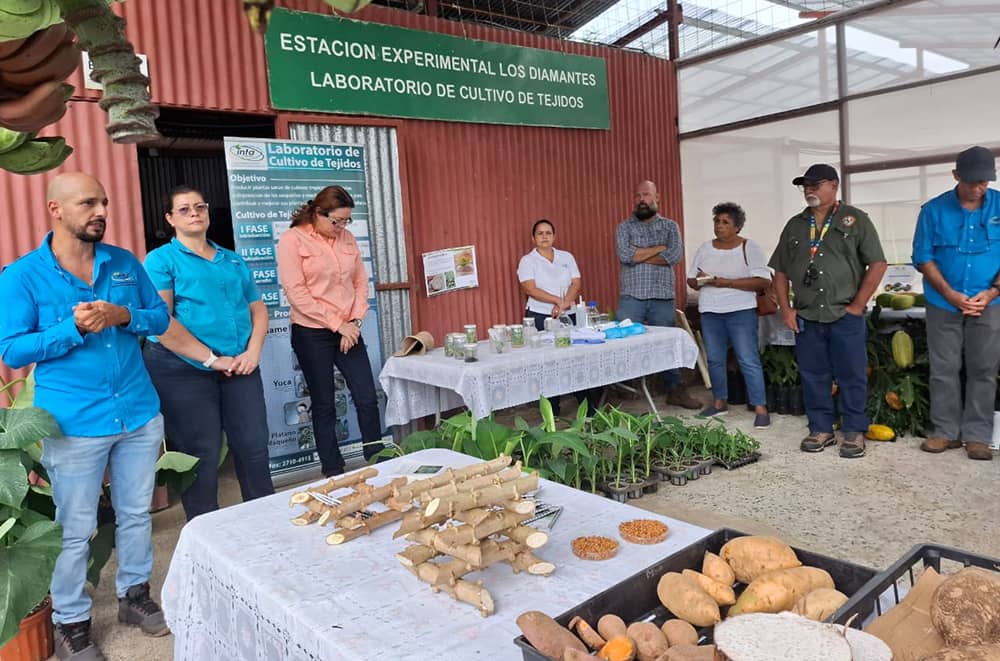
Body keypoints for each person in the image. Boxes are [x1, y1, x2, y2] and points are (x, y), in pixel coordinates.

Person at [0, 173, 171, 660]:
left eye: (104, 202)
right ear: (55, 209)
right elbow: (12, 350)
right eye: (88, 203)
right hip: (75, 423)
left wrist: (124, 316)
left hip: (137, 413)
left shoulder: (123, 262)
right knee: (75, 528)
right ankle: (71, 621)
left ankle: (134, 596)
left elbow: (159, 318)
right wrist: (70, 328)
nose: (100, 211)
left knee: (135, 513)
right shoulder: (22, 276)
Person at [142, 186, 275, 520]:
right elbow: (162, 321)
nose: (194, 213)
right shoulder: (160, 260)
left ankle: (267, 522)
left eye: (200, 206)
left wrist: (252, 352)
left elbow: (258, 309)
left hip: (239, 365)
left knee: (254, 445)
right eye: (184, 209)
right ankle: (205, 531)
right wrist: (212, 359)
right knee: (200, 454)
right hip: (182, 369)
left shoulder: (232, 259)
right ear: (170, 218)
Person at [770, 164, 887, 459]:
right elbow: (780, 271)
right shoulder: (795, 225)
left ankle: (854, 430)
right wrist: (786, 309)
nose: (809, 189)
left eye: (815, 184)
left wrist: (857, 305)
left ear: (833, 185)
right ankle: (821, 428)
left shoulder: (855, 219)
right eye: (805, 185)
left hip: (844, 314)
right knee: (813, 375)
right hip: (807, 315)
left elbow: (877, 263)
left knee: (852, 375)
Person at [277, 185, 383, 477]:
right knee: (324, 403)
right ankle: (333, 469)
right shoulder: (292, 240)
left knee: (366, 396)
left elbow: (360, 283)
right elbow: (297, 294)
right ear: (318, 213)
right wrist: (339, 326)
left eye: (347, 221)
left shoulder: (347, 239)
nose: (341, 228)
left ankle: (377, 457)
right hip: (312, 331)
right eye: (337, 221)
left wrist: (355, 323)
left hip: (350, 328)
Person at [912, 146, 1000, 461]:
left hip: (988, 303)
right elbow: (923, 257)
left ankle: (977, 436)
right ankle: (944, 431)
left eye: (984, 182)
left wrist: (992, 292)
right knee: (944, 368)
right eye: (972, 181)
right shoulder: (933, 210)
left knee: (984, 368)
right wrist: (950, 294)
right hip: (943, 302)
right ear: (956, 175)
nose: (978, 188)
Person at [615, 180, 701, 409]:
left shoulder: (670, 227)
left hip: (662, 296)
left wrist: (639, 255)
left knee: (666, 345)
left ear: (657, 197)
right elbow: (625, 256)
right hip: (632, 296)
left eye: (646, 194)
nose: (641, 199)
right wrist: (658, 249)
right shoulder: (624, 227)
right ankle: (620, 389)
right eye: (638, 195)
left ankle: (675, 390)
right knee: (622, 342)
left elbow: (674, 256)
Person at [686, 202, 771, 428]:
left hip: (741, 311)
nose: (719, 226)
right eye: (717, 221)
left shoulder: (749, 247)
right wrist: (700, 280)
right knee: (715, 359)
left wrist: (725, 282)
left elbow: (763, 281)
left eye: (725, 222)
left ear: (737, 227)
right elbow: (691, 280)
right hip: (710, 311)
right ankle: (719, 402)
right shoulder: (705, 248)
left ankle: (760, 407)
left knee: (747, 359)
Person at [517, 218, 601, 415]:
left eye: (548, 233)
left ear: (554, 236)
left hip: (567, 316)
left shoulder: (566, 257)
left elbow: (576, 283)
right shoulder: (528, 261)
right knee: (547, 362)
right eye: (540, 233)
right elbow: (530, 289)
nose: (544, 237)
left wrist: (563, 304)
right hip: (539, 316)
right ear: (533, 238)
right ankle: (552, 410)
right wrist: (557, 300)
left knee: (574, 358)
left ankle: (588, 408)